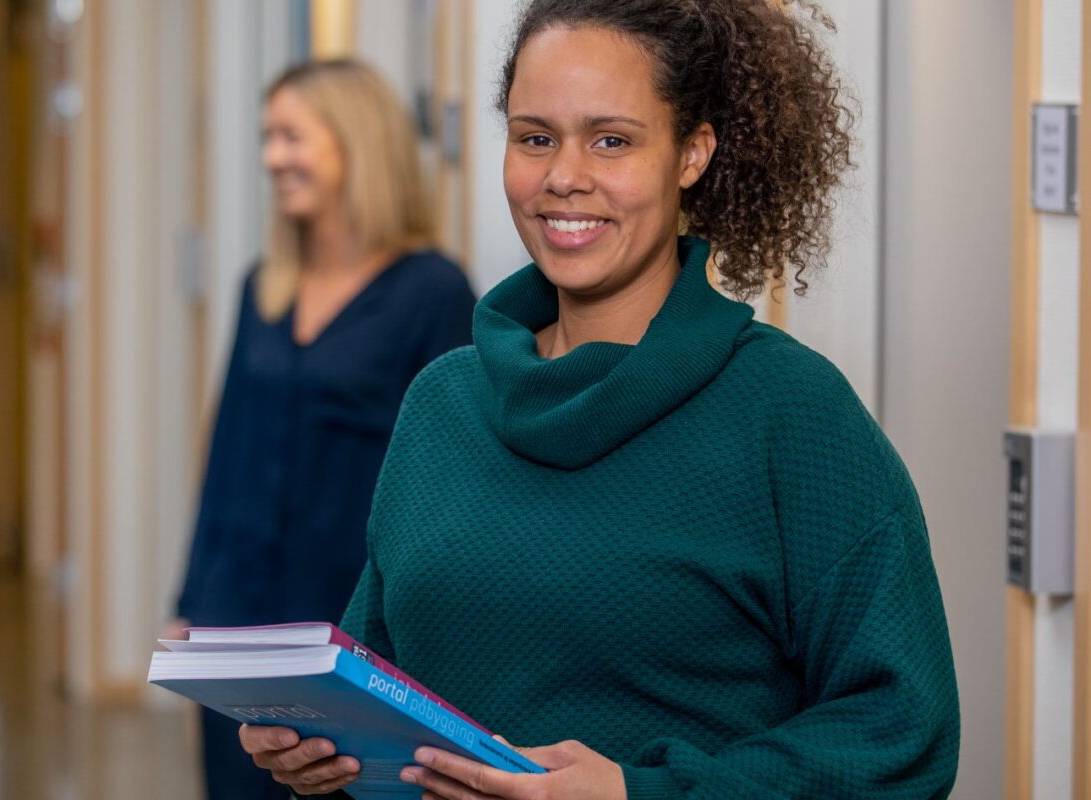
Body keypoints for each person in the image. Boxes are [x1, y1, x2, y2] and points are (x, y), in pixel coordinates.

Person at [240, 1, 960, 798]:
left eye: (611, 140)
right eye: (535, 137)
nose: (564, 176)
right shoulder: (442, 404)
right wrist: (324, 744)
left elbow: (901, 733)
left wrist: (634, 792)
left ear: (692, 153)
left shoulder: (791, 414)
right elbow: (385, 679)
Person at [169, 59, 477, 800]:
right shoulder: (262, 288)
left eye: (292, 136)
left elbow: (455, 480)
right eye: (266, 137)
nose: (272, 156)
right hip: (237, 623)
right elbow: (229, 450)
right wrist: (188, 602)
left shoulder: (431, 291)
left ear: (356, 142)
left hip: (353, 636)